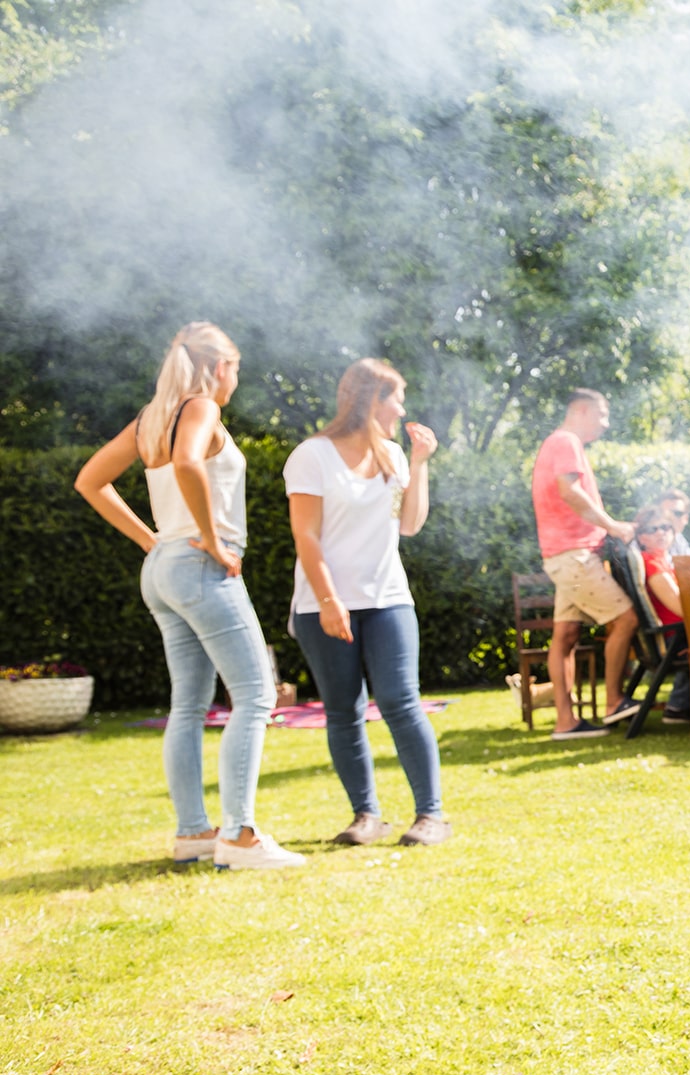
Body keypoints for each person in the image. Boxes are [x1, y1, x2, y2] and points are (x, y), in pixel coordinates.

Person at [74, 323, 302, 871]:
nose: (236, 380)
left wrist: (151, 541)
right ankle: (238, 837)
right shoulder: (200, 407)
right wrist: (213, 538)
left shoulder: (151, 419)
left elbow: (89, 481)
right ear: (220, 367)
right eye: (236, 369)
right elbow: (187, 462)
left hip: (164, 569)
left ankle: (193, 834)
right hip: (199, 566)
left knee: (189, 705)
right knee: (256, 695)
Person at [285, 358, 449, 848]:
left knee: (400, 701)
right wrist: (329, 599)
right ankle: (366, 816)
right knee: (343, 709)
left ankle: (431, 815)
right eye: (397, 399)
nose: (402, 410)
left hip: (387, 598)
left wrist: (419, 463)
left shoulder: (393, 455)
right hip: (322, 604)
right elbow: (306, 536)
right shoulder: (312, 456)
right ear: (372, 400)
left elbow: (410, 524)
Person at [530, 389, 641, 739]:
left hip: (564, 555)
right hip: (573, 555)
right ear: (580, 410)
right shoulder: (566, 441)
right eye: (601, 414)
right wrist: (613, 526)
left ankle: (566, 723)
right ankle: (614, 702)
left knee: (565, 636)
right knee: (626, 619)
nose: (605, 423)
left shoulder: (557, 442)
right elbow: (569, 491)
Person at [628, 503, 690, 724]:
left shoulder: (663, 561)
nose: (661, 533)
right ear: (641, 537)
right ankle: (680, 706)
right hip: (675, 640)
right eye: (653, 529)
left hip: (679, 636)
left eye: (666, 527)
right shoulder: (653, 564)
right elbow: (683, 609)